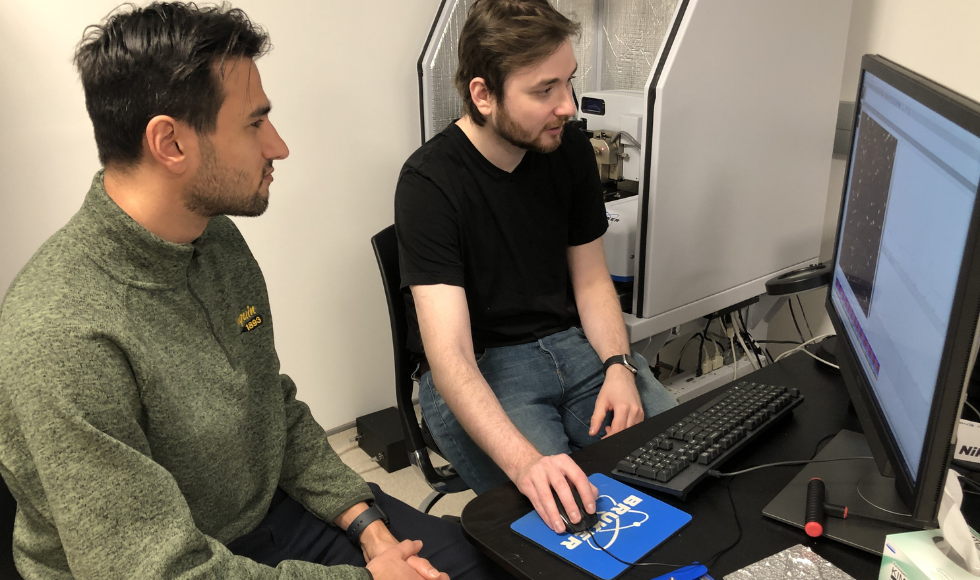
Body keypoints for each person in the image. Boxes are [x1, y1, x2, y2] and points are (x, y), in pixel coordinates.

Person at [0, 3, 505, 579]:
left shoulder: (215, 240)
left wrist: (365, 523)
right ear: (170, 144)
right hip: (170, 562)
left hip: (267, 517)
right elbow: (155, 570)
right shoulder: (61, 333)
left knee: (476, 563)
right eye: (254, 123)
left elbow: (269, 406)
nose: (279, 146)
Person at [394, 0, 679, 535]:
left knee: (687, 463)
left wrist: (619, 365)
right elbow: (449, 355)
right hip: (482, 368)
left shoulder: (567, 150)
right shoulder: (429, 185)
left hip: (572, 347)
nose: (567, 106)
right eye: (544, 90)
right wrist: (527, 465)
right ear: (483, 94)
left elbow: (593, 281)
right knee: (572, 525)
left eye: (569, 83)